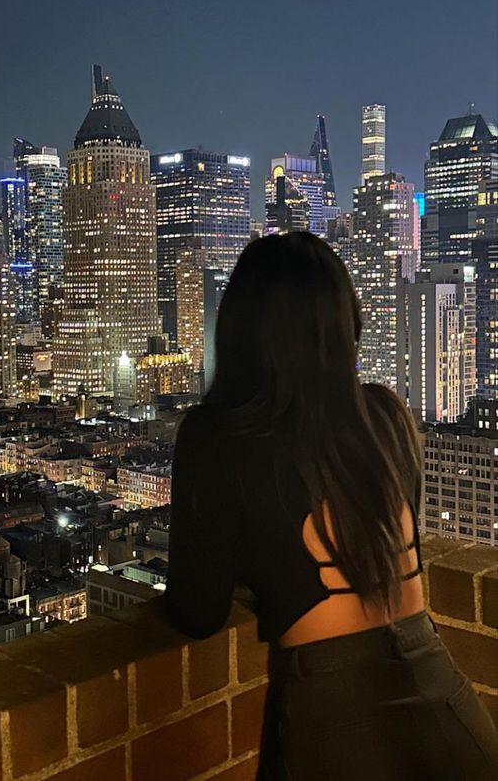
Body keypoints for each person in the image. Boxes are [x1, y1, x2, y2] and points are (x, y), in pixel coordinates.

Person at [165, 232, 498, 780]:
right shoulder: (387, 417)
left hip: (334, 722)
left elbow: (197, 612)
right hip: (448, 701)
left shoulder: (218, 436)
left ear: (240, 330)